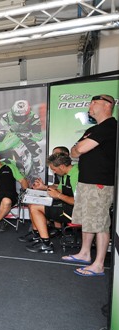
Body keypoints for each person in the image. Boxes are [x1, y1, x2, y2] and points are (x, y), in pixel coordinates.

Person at [66, 94, 117, 276]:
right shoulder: (93, 129)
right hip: (86, 182)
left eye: (94, 103)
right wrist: (79, 148)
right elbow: (73, 152)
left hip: (100, 183)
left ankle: (99, 264)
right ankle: (84, 253)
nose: (90, 106)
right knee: (88, 219)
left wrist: (80, 148)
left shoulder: (110, 126)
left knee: (100, 222)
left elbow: (79, 148)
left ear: (107, 105)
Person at [21, 153, 78, 253]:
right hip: (66, 206)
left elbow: (77, 201)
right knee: (32, 202)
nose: (54, 172)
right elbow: (60, 190)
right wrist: (44, 188)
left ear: (62, 166)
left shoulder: (76, 174)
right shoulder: (65, 174)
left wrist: (58, 195)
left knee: (34, 207)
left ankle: (46, 245)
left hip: (76, 211)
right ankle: (37, 236)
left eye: (54, 169)